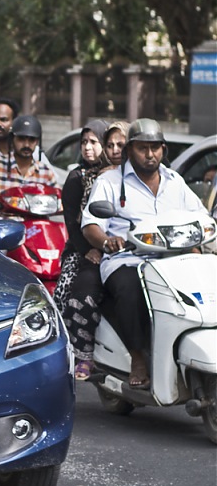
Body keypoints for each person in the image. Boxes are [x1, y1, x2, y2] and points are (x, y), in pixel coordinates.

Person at [81, 118, 205, 389]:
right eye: (143, 148)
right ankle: (138, 357)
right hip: (128, 260)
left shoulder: (176, 182)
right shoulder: (111, 182)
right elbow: (91, 225)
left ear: (164, 150)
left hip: (172, 259)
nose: (150, 155)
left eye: (156, 148)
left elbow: (201, 216)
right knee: (130, 288)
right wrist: (107, 242)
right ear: (129, 151)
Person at [55, 120, 127, 379]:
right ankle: (76, 352)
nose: (88, 148)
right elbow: (76, 223)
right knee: (72, 294)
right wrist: (90, 248)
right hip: (84, 247)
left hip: (133, 252)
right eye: (109, 144)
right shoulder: (83, 177)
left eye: (93, 142)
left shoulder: (154, 177)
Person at [0, 114, 58, 212]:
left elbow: (58, 197)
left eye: (32, 140)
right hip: (2, 222)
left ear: (37, 142)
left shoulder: (45, 171)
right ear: (12, 139)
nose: (26, 144)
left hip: (36, 224)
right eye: (21, 139)